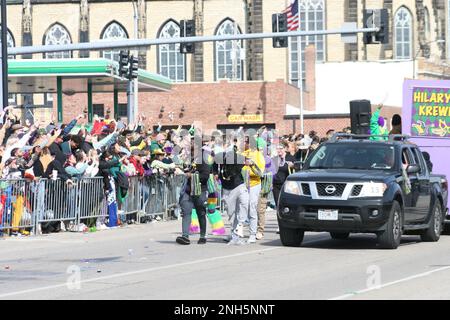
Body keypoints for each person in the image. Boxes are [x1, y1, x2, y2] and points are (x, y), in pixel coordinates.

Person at [176, 140, 212, 245]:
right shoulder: (188, 159)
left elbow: (205, 175)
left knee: (201, 212)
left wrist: (191, 175)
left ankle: (203, 235)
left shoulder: (203, 159)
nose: (190, 147)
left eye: (193, 146)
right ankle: (185, 236)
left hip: (200, 189)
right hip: (187, 189)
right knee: (186, 211)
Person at [214, 145, 249, 245]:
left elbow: (243, 163)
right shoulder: (219, 157)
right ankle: (234, 235)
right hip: (227, 188)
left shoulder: (237, 158)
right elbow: (214, 164)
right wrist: (216, 173)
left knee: (245, 203)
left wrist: (247, 162)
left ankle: (241, 223)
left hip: (239, 185)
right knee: (231, 213)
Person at [241, 135, 265, 244]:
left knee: (252, 208)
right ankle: (236, 233)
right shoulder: (243, 154)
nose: (246, 144)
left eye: (248, 142)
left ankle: (252, 234)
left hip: (254, 184)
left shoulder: (259, 155)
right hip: (243, 184)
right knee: (241, 208)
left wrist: (252, 164)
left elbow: (261, 173)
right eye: (246, 142)